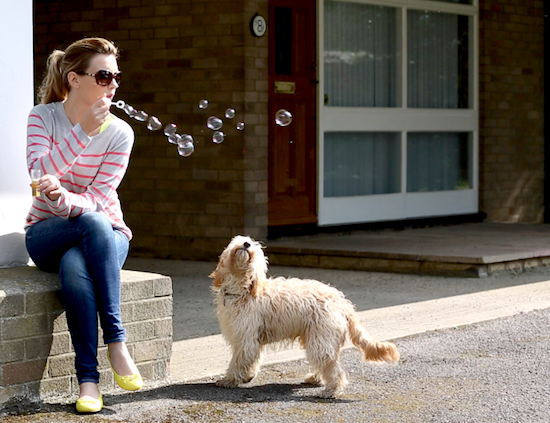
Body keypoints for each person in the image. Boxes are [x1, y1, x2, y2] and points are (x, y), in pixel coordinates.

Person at [24, 38, 142, 413]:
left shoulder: (121, 133)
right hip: (46, 232)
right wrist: (83, 133)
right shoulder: (42, 117)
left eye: (116, 77)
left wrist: (62, 198)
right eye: (104, 75)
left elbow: (98, 196)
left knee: (77, 264)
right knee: (88, 222)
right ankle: (116, 339)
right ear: (74, 79)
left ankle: (88, 381)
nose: (113, 84)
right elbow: (38, 173)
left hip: (108, 234)